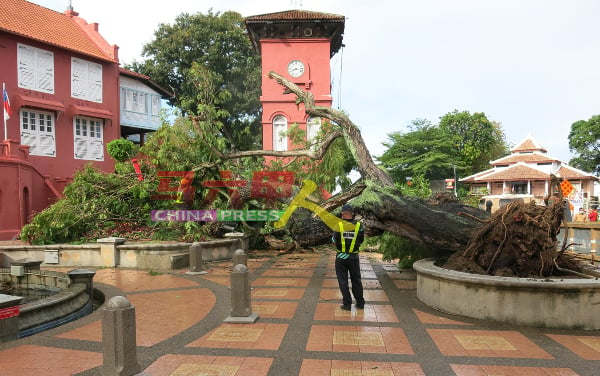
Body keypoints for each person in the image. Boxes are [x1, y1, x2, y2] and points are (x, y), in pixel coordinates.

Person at [332, 203, 365, 311]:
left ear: (343, 213)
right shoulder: (359, 226)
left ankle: (347, 304)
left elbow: (333, 242)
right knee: (356, 280)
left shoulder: (338, 225)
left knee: (343, 281)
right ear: (352, 213)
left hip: (341, 257)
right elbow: (361, 241)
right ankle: (360, 303)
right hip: (354, 257)